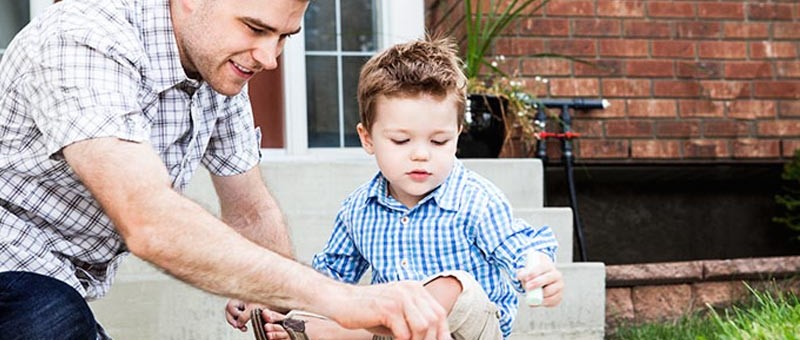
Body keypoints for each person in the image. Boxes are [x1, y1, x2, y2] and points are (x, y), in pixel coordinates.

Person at [0, 1, 451, 339]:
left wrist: (283, 310)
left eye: (284, 37)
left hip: (52, 288)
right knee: (52, 317)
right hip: (16, 274)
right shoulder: (84, 40)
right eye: (256, 28)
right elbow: (149, 221)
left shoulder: (217, 71)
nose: (270, 57)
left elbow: (251, 211)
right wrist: (345, 298)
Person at [229, 37, 565, 340]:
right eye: (401, 140)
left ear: (458, 136)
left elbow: (519, 246)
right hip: (392, 332)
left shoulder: (476, 200)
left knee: (455, 285)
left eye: (439, 140)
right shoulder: (359, 209)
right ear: (367, 139)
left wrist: (536, 267)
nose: (421, 153)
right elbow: (329, 278)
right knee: (310, 305)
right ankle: (316, 327)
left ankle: (334, 336)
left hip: (465, 332)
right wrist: (267, 294)